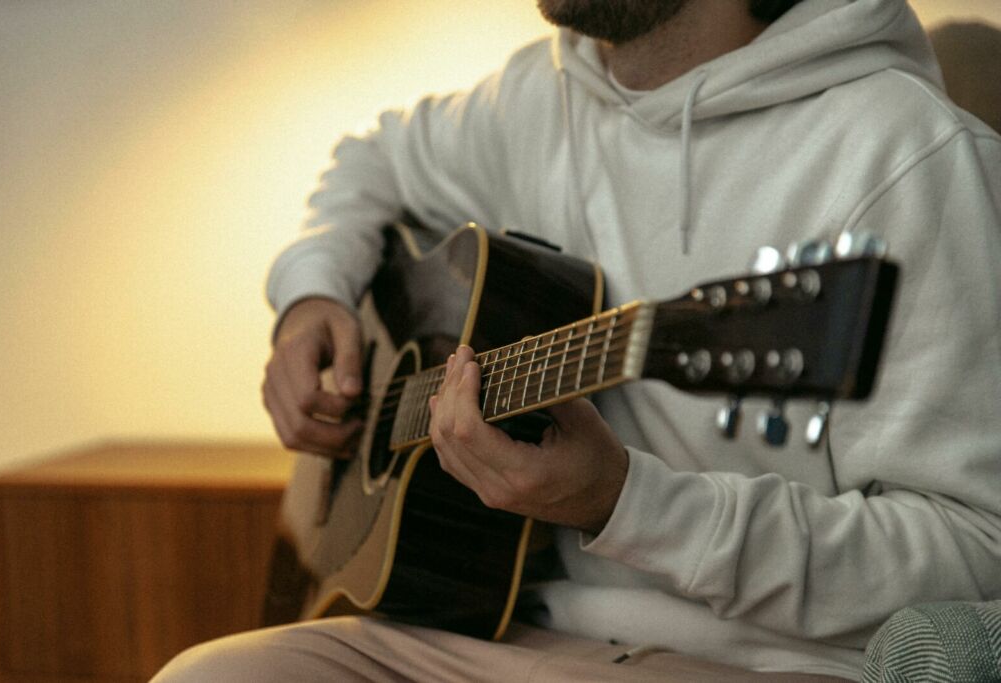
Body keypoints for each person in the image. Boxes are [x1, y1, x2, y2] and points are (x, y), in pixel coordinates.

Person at [154, 0, 1001, 680]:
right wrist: (308, 297)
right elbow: (368, 162)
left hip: (757, 658)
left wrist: (629, 504)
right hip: (490, 634)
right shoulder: (541, 96)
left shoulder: (906, 158)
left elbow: (977, 556)